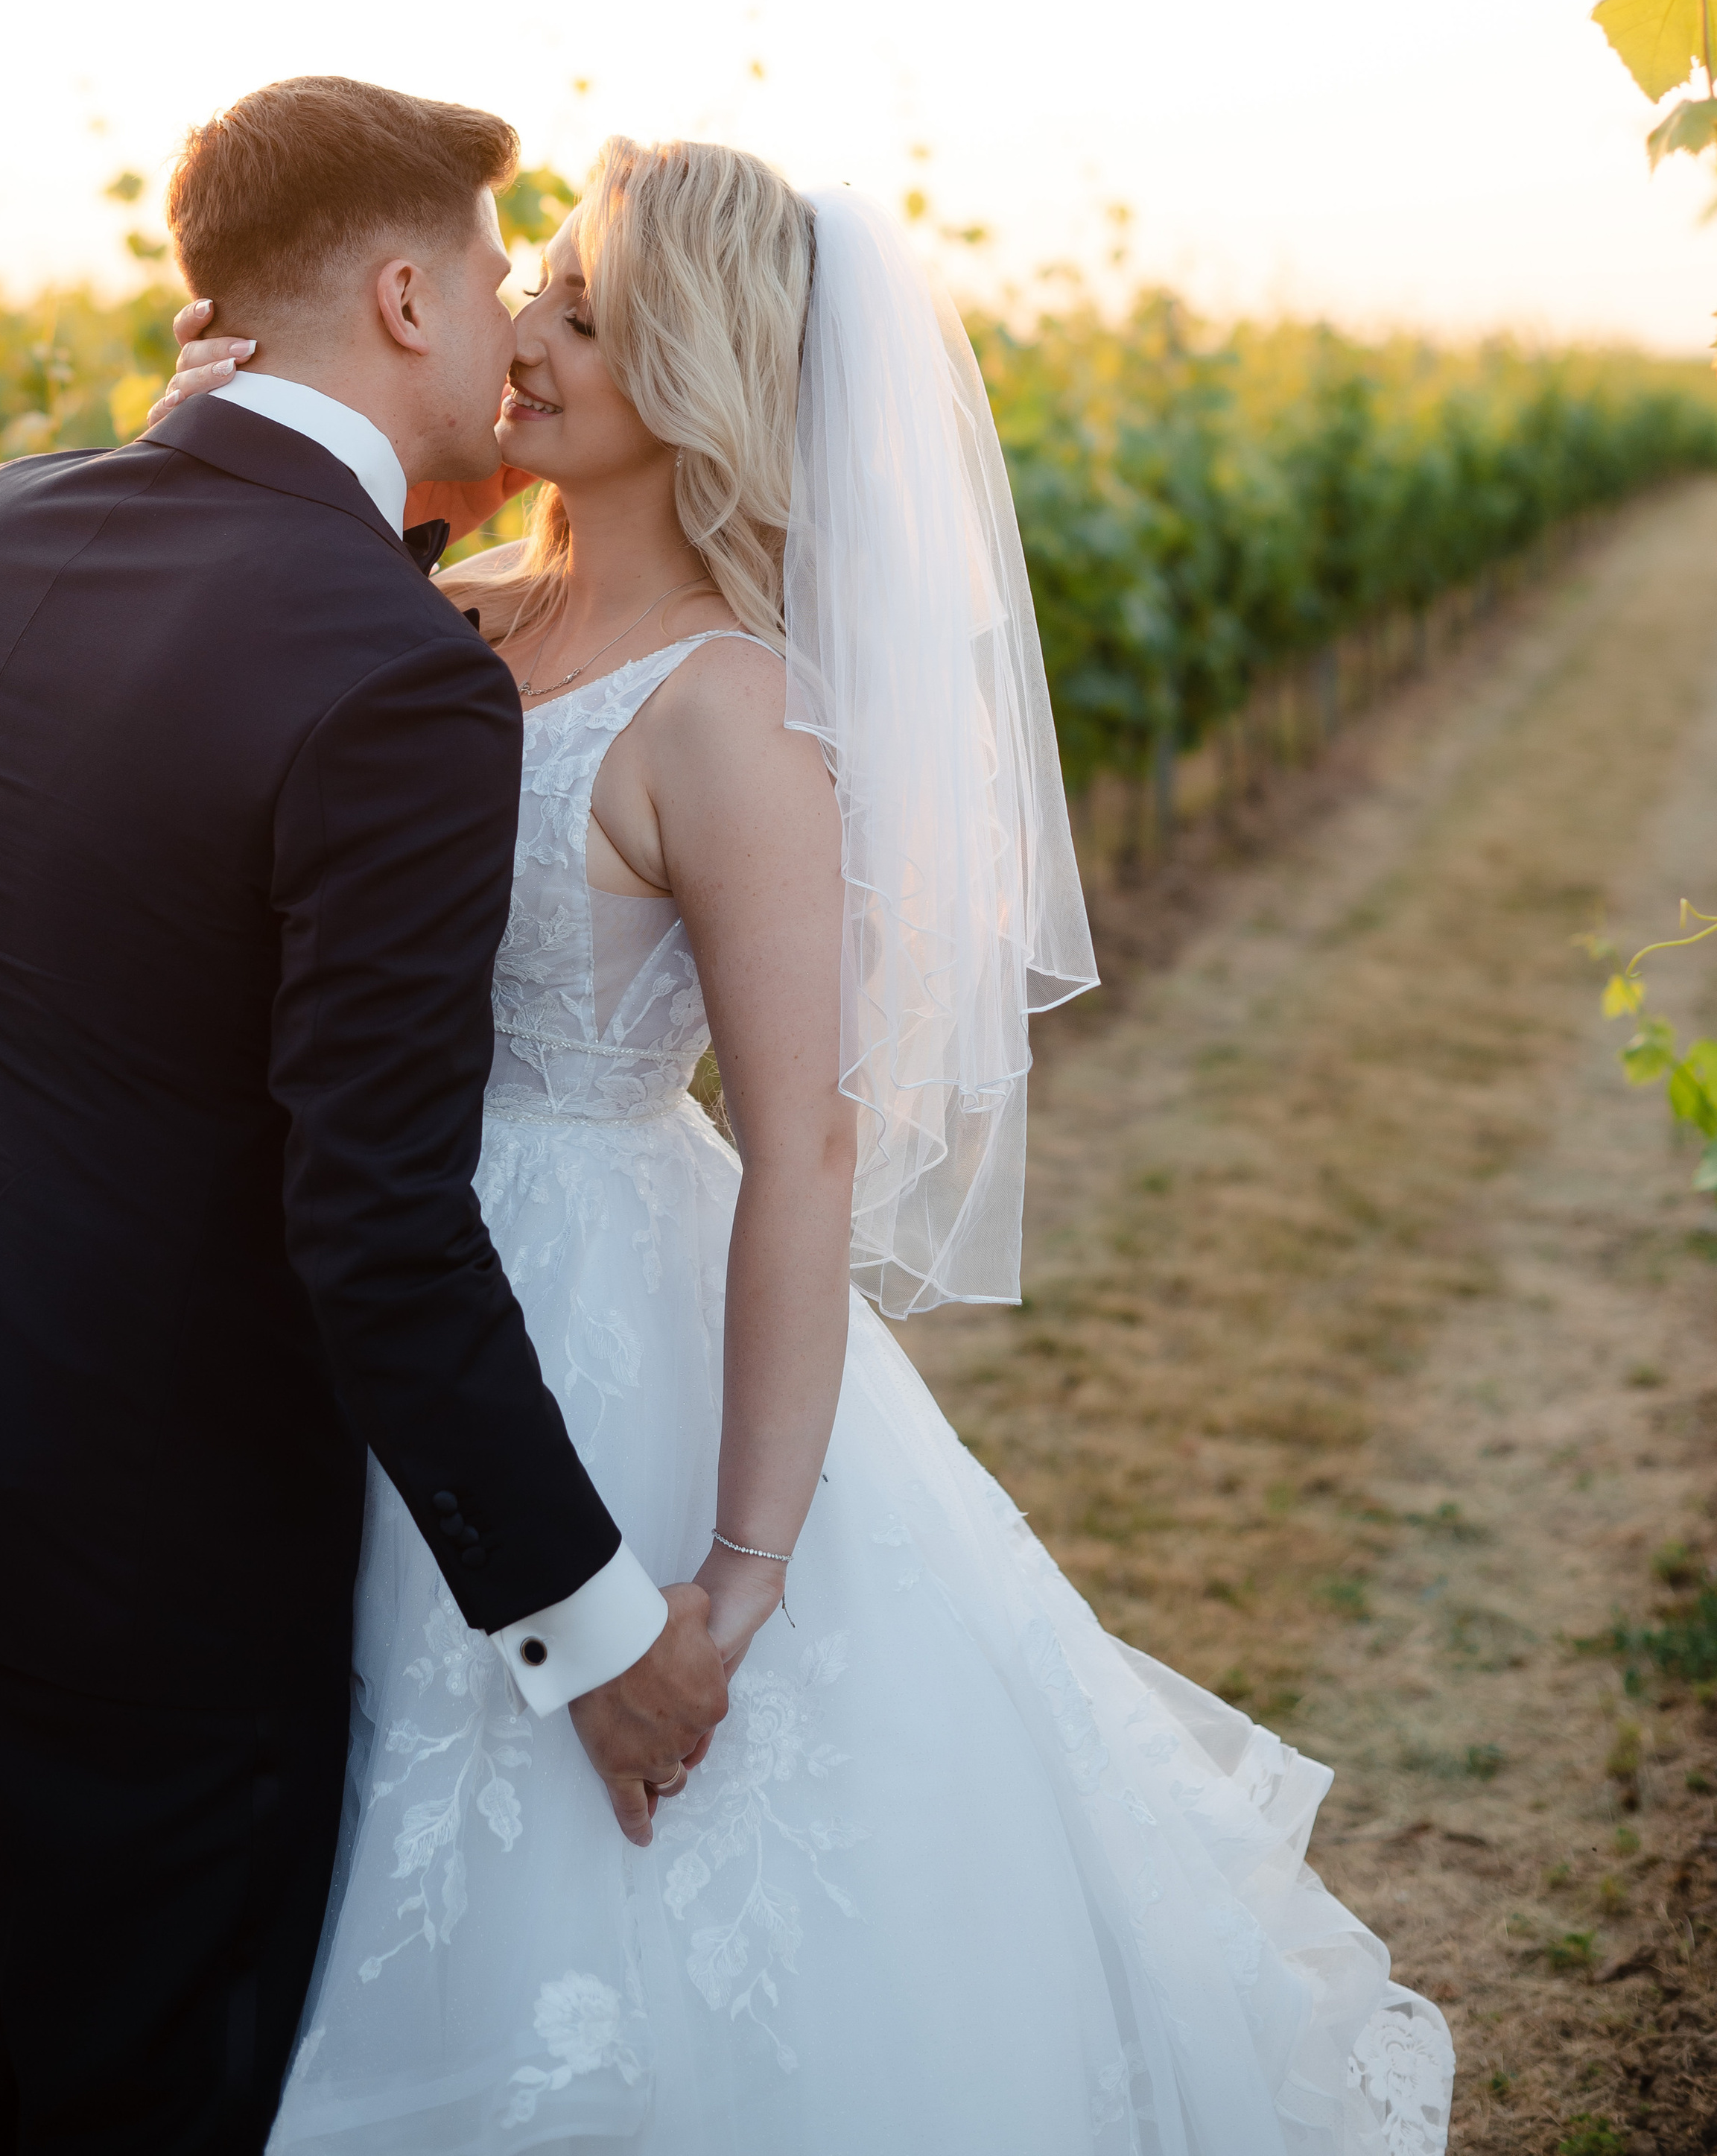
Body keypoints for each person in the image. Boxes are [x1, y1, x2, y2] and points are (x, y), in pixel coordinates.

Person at [156, 133, 1456, 2154]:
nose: (522, 326)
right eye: (540, 289)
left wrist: (742, 1563)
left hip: (584, 1315)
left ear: (695, 372)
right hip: (342, 1271)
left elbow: (805, 1150)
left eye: (582, 308)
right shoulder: (447, 610)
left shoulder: (732, 717)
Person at [0, 79, 729, 2151]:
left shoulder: (10, 524)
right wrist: (597, 1631)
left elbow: (210, 637)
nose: (516, 325)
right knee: (146, 2088)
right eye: (499, 277)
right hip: (140, 1560)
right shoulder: (396, 678)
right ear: (406, 295)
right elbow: (377, 1225)